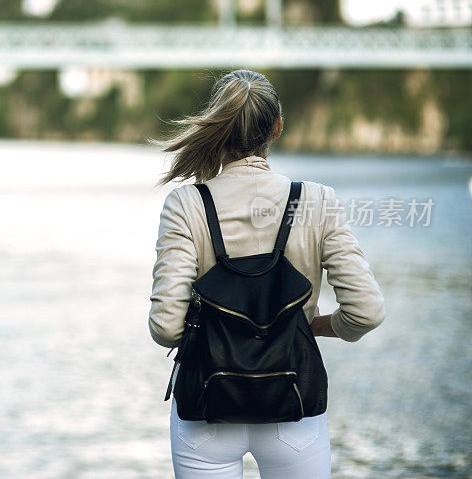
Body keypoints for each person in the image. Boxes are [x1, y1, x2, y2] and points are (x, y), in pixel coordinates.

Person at [149, 69, 386, 478]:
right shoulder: (315, 201)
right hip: (293, 405)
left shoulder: (185, 204)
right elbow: (366, 312)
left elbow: (167, 329)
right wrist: (311, 326)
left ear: (219, 127)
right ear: (277, 127)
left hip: (207, 408)